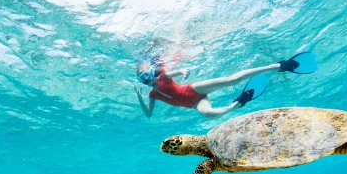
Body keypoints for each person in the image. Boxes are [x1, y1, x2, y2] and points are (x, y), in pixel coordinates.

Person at [134, 52, 316, 119]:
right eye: (144, 79)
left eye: (148, 75)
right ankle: (238, 103)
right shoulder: (151, 95)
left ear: (152, 72)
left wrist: (183, 72)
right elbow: (148, 115)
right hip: (195, 104)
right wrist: (140, 98)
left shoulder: (164, 76)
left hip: (194, 89)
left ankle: (278, 66)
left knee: (232, 80)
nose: (149, 80)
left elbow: (177, 72)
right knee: (210, 115)